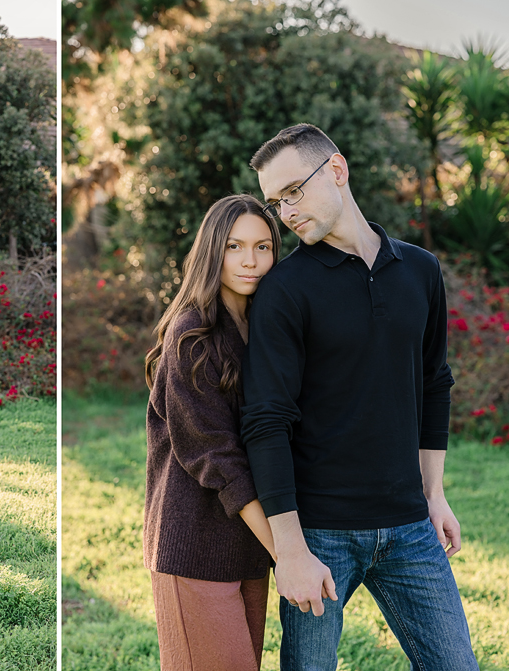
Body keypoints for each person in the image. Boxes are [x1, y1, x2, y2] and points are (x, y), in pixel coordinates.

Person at [241, 123, 478, 670]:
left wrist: (434, 494)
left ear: (338, 170)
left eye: (293, 191)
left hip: (411, 527)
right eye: (277, 201)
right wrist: (291, 551)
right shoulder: (284, 290)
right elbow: (266, 421)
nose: (287, 211)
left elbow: (434, 381)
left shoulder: (420, 270)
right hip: (319, 532)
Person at [143, 194, 282, 671]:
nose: (251, 261)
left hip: (248, 550)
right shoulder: (191, 338)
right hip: (195, 548)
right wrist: (287, 550)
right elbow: (217, 459)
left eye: (263, 247)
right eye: (234, 247)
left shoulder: (263, 329)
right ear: (211, 252)